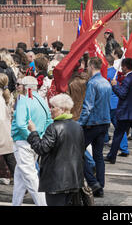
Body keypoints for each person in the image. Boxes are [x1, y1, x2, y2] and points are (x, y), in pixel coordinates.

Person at [27, 93, 85, 206]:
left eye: (53, 107)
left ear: (62, 109)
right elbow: (81, 153)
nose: (51, 109)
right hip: (74, 179)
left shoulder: (54, 128)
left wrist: (33, 132)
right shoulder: (77, 126)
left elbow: (41, 148)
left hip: (56, 181)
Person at [11, 75, 52, 206]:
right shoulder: (41, 99)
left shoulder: (24, 100)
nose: (18, 86)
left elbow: (20, 125)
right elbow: (48, 120)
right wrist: (39, 137)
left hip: (24, 142)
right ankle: (15, 204)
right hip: (34, 141)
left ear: (26, 87)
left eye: (20, 84)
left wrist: (30, 136)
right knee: (20, 178)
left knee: (30, 178)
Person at [78, 57, 112, 198]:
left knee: (78, 152)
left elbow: (88, 106)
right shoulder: (106, 82)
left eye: (88, 66)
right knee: (98, 155)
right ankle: (100, 185)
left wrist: (80, 123)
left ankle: (93, 182)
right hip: (104, 122)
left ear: (91, 66)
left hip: (92, 123)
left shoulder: (92, 83)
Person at [105, 57, 132, 166]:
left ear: (125, 67)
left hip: (126, 112)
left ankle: (112, 156)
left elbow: (122, 94)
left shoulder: (127, 79)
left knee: (118, 135)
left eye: (122, 67)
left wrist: (115, 86)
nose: (121, 69)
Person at [104, 54, 129, 156]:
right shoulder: (116, 73)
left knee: (104, 124)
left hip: (109, 103)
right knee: (118, 127)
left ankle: (104, 142)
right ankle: (124, 148)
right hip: (115, 103)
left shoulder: (106, 74)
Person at [0, 74, 16, 183]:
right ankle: (22, 185)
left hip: (2, 131)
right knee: (10, 159)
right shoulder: (6, 95)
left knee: (10, 159)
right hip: (6, 131)